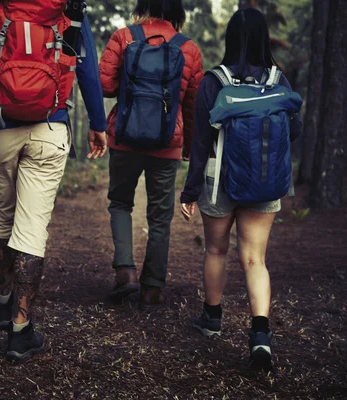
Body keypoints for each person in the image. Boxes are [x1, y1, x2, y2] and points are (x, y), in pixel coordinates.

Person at [0, 2, 107, 362]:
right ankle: (21, 328)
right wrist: (98, 124)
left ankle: (1, 301)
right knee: (31, 229)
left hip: (0, 129)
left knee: (5, 218)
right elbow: (87, 70)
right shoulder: (69, 6)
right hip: (51, 126)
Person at [180, 8, 303, 370]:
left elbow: (201, 142)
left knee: (216, 250)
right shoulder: (280, 80)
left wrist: (189, 191)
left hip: (219, 182)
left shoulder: (214, 81)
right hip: (265, 180)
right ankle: (261, 335)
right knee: (255, 259)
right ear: (266, 40)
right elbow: (294, 131)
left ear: (229, 39)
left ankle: (212, 318)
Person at [99, 0, 203, 309]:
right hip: (167, 143)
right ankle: (152, 288)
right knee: (160, 218)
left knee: (120, 202)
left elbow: (105, 85)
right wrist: (187, 145)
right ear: (178, 12)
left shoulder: (124, 37)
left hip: (125, 138)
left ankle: (125, 271)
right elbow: (193, 104)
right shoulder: (189, 48)